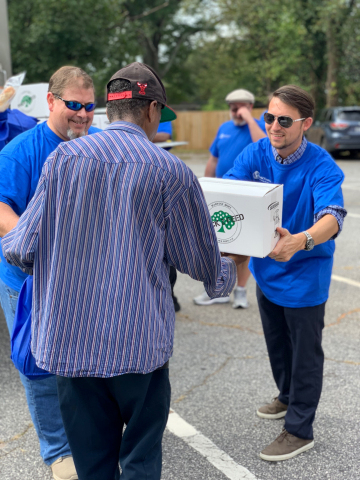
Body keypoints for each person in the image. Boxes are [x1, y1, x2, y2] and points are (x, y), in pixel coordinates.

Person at [1, 62, 245, 480]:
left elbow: (21, 248)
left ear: (107, 111)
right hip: (139, 348)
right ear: (151, 110)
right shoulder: (170, 170)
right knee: (140, 460)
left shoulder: (62, 160)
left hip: (71, 345)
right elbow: (199, 262)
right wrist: (234, 266)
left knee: (92, 465)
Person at [223, 84, 346, 461]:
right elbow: (228, 189)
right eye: (269, 117)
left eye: (284, 120)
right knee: (278, 346)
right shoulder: (256, 152)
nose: (274, 126)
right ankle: (287, 396)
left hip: (305, 276)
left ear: (306, 123)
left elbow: (333, 217)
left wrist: (302, 240)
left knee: (305, 354)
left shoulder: (322, 165)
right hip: (267, 271)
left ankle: (299, 429)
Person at [0, 66, 101, 480]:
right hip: (27, 282)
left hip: (82, 280)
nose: (82, 114)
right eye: (73, 105)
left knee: (84, 362)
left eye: (90, 107)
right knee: (37, 366)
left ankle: (90, 436)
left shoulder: (99, 147)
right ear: (51, 102)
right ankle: (58, 450)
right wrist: (39, 241)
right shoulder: (20, 151)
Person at [193, 89, 266, 309]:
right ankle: (220, 289)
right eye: (233, 107)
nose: (236, 111)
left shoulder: (259, 127)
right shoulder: (224, 129)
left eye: (241, 107)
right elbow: (214, 159)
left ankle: (241, 291)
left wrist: (248, 119)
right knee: (220, 243)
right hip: (223, 192)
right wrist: (205, 185)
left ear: (250, 106)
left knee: (245, 246)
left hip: (248, 195)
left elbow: (263, 147)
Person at [152, 121, 181, 312]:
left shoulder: (162, 116)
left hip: (160, 179)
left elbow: (164, 137)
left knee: (164, 246)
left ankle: (169, 296)